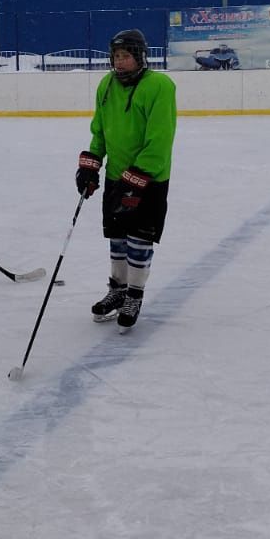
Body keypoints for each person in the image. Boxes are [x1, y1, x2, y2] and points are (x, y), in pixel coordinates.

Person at [74, 28, 177, 331]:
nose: (119, 62)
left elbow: (160, 139)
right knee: (117, 238)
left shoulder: (159, 86)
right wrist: (91, 165)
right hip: (117, 176)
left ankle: (134, 294)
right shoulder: (106, 85)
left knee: (139, 239)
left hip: (149, 179)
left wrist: (139, 176)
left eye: (126, 56)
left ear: (140, 56)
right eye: (116, 57)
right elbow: (100, 130)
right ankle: (117, 290)